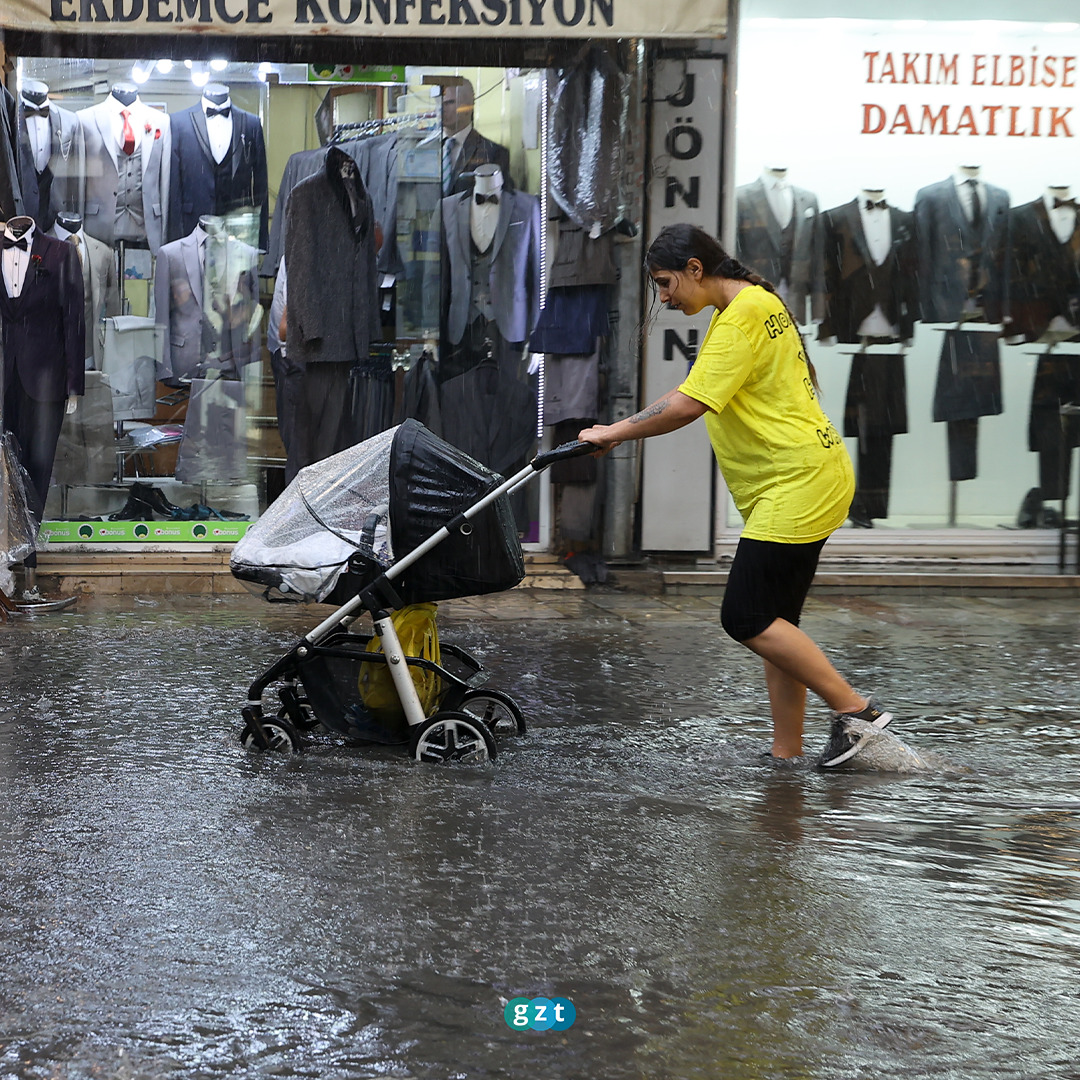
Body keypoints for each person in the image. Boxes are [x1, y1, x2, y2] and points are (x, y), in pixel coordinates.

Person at [577, 224, 895, 766]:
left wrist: (613, 431)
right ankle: (786, 753)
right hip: (809, 473)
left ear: (695, 268)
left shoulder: (743, 313)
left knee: (744, 617)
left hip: (796, 483)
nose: (664, 297)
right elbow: (691, 395)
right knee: (777, 624)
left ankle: (857, 714)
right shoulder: (753, 304)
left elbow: (686, 404)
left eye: (665, 282)